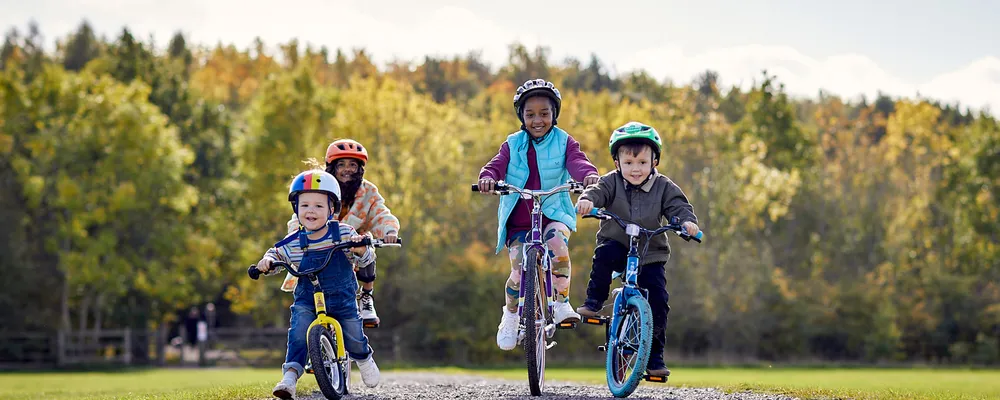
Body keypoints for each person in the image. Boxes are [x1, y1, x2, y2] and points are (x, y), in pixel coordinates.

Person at [477, 78, 601, 351]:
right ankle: (510, 315)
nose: (537, 120)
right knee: (520, 270)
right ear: (521, 116)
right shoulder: (513, 143)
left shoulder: (565, 141)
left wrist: (588, 175)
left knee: (557, 245)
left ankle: (560, 302)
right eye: (530, 114)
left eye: (544, 113)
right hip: (519, 220)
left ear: (554, 114)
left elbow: (577, 162)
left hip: (553, 212)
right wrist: (487, 177)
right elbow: (496, 166)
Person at [573, 121, 700, 377]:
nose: (635, 169)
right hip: (617, 245)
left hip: (650, 254)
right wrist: (587, 200)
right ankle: (594, 301)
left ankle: (654, 358)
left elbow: (678, 207)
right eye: (628, 163)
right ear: (617, 162)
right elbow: (597, 191)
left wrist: (687, 224)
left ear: (655, 161)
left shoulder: (664, 187)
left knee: (659, 302)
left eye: (642, 162)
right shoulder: (611, 182)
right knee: (604, 255)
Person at [255, 169, 381, 399]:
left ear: (332, 209)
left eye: (318, 206)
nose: (310, 211)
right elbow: (276, 253)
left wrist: (361, 249)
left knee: (353, 333)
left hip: (342, 297)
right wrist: (268, 262)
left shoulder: (343, 233)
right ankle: (289, 378)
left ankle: (364, 359)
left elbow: (366, 258)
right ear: (296, 209)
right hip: (307, 298)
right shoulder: (294, 242)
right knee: (298, 332)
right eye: (304, 206)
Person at [283, 139, 400, 324]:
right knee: (305, 309)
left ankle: (366, 296)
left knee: (364, 246)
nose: (347, 169)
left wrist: (389, 230)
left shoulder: (368, 191)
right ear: (332, 167)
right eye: (342, 165)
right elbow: (299, 216)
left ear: (360, 169)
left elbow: (380, 213)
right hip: (319, 246)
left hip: (351, 249)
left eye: (353, 165)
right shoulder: (317, 185)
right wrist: (294, 237)